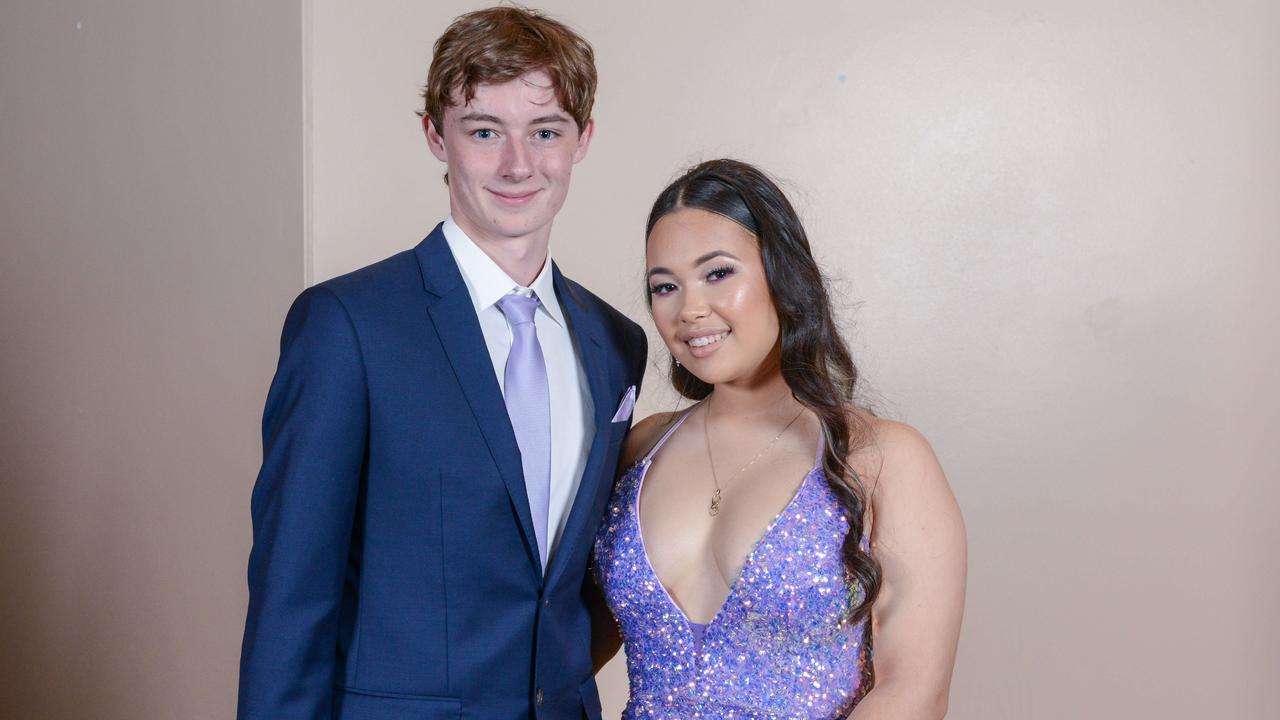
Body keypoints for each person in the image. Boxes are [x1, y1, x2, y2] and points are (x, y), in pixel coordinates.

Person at [237, 7, 647, 719]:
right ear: (436, 135)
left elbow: (569, 586)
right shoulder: (347, 326)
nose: (518, 165)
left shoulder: (616, 343)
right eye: (484, 131)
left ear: (582, 140)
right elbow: (291, 597)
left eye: (544, 131)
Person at [591, 159, 966, 719]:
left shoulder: (884, 459)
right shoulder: (641, 448)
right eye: (665, 286)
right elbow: (565, 646)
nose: (690, 309)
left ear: (781, 274)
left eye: (718, 273)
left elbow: (914, 692)